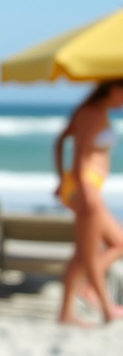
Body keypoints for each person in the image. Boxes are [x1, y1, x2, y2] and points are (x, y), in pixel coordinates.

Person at [52, 79, 123, 326]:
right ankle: (104, 306)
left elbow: (60, 142)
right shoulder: (92, 114)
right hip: (87, 188)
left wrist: (63, 180)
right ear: (114, 89)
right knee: (90, 252)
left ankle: (68, 310)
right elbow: (80, 153)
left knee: (89, 251)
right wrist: (82, 190)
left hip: (83, 186)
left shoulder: (89, 111)